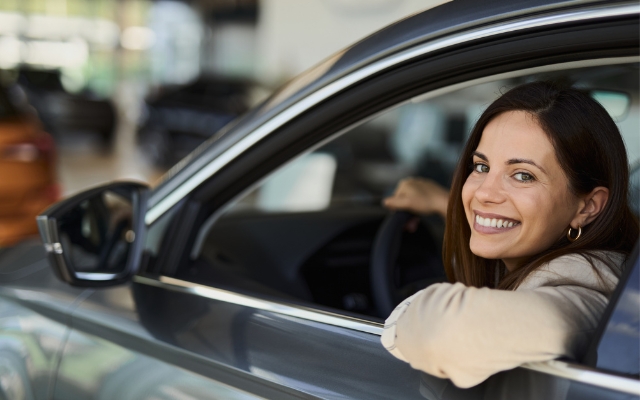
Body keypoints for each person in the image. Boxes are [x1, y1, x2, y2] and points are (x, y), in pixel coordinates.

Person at [380, 81, 639, 388]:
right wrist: (444, 204)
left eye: (523, 175)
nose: (484, 193)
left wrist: (406, 313)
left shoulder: (588, 291)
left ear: (587, 207)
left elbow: (444, 331)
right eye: (480, 166)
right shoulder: (593, 263)